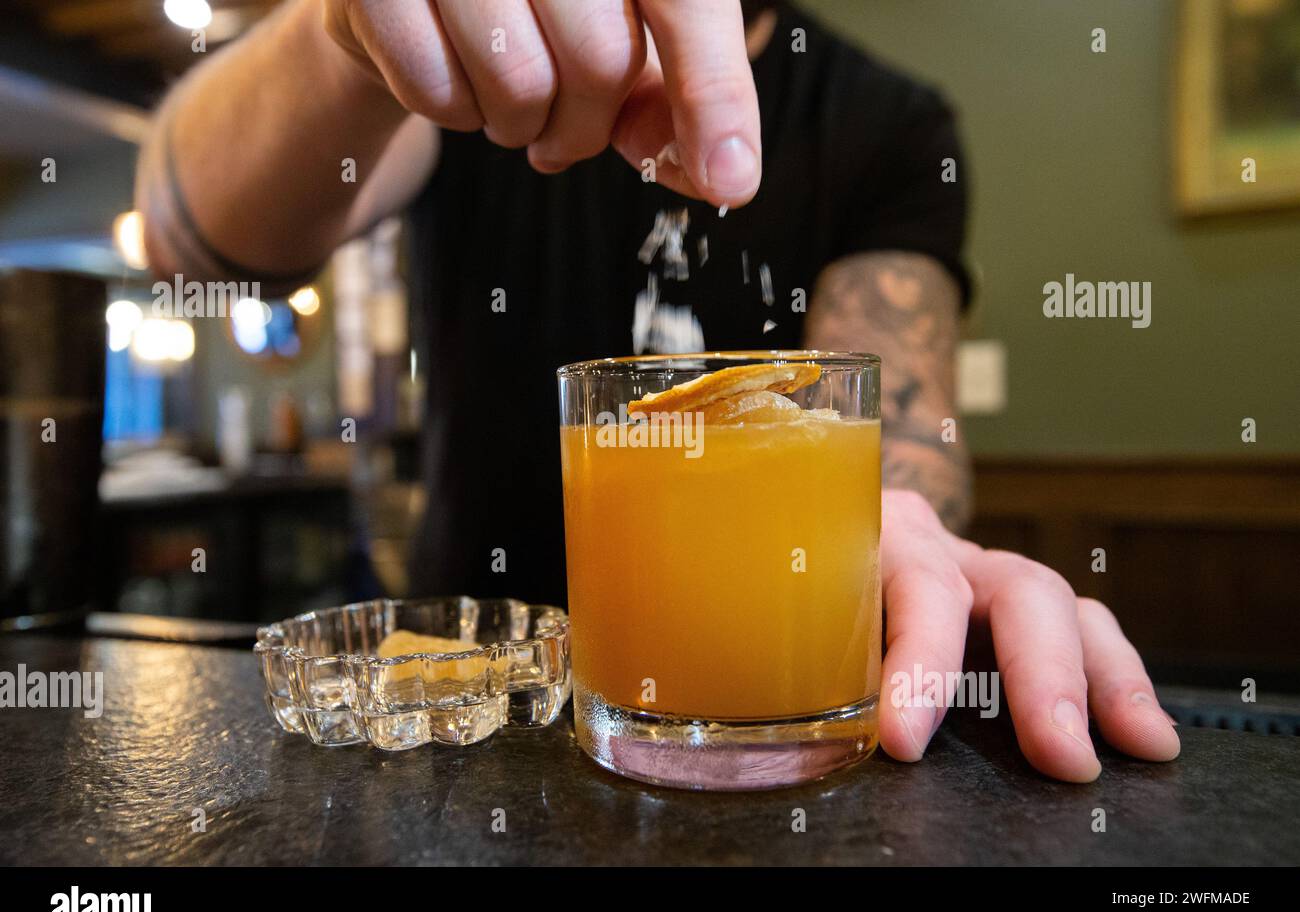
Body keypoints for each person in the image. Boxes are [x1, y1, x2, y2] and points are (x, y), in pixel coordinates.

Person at [135, 0, 1179, 782]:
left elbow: (887, 426)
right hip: (472, 724)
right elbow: (193, 242)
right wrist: (341, 38)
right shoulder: (474, 56)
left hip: (774, 726)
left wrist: (886, 542)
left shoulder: (888, 121)